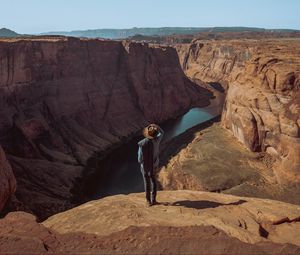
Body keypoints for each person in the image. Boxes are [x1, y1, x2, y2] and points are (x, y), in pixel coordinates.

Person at [138, 124, 164, 206]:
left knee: (147, 183)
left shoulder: (142, 144)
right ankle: (154, 200)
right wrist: (155, 126)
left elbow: (139, 159)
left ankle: (148, 201)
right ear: (155, 134)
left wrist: (144, 163)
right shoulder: (157, 140)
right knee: (154, 182)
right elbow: (162, 132)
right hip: (154, 166)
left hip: (144, 167)